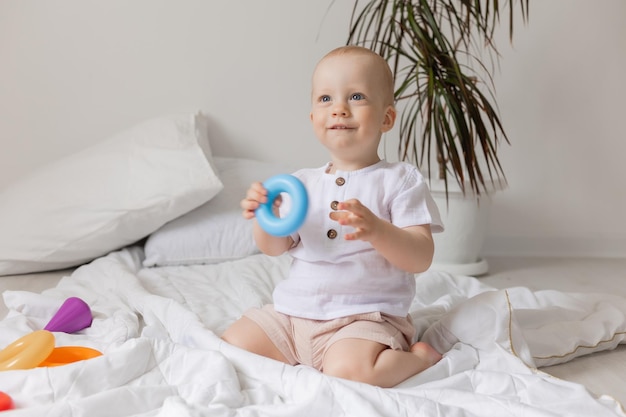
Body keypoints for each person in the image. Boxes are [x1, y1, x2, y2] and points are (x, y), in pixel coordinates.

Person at [221, 45, 444, 388]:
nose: (339, 109)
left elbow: (420, 256)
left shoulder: (400, 179)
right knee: (232, 346)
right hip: (292, 316)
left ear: (387, 118)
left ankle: (417, 359)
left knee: (349, 372)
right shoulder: (300, 184)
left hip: (362, 320)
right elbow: (274, 247)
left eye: (356, 96)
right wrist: (265, 217)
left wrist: (377, 231)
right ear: (313, 119)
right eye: (325, 99)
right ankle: (301, 353)